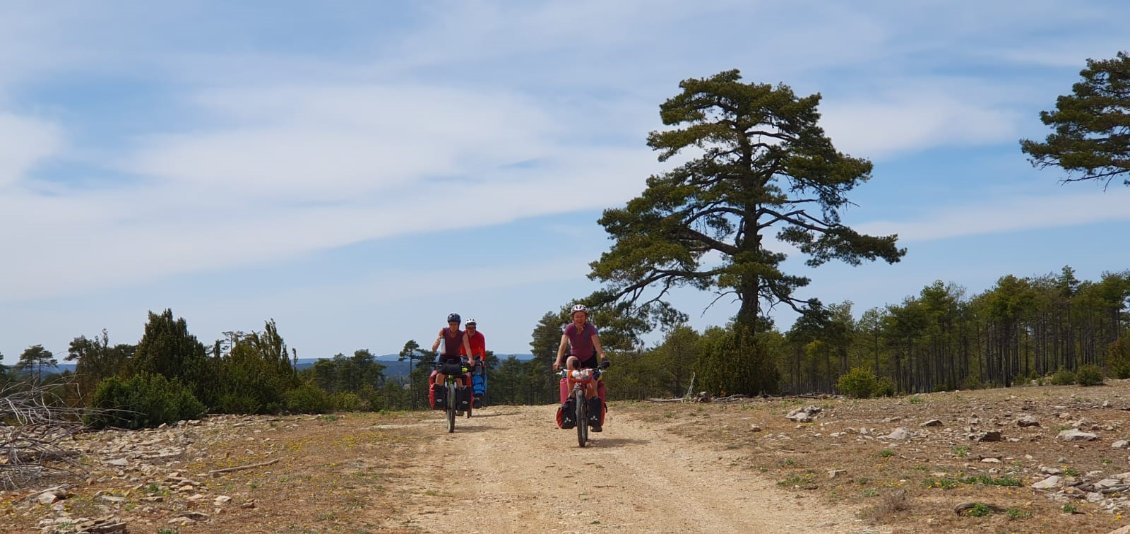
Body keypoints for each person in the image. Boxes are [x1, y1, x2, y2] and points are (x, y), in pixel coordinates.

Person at [553, 304, 608, 431]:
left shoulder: (591, 329)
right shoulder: (569, 328)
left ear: (586, 317)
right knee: (570, 361)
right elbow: (562, 346)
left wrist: (603, 357)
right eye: (577, 316)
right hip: (576, 358)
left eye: (582, 316)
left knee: (592, 386)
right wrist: (557, 361)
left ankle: (592, 415)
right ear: (573, 318)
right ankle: (572, 397)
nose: (579, 319)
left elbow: (597, 345)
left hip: (590, 359)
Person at [430, 313, 476, 412]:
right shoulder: (443, 331)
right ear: (448, 324)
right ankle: (441, 400)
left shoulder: (462, 334)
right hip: (443, 358)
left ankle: (460, 404)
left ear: (458, 324)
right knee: (440, 376)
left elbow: (467, 348)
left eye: (455, 324)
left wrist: (470, 359)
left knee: (459, 378)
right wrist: (438, 340)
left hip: (456, 358)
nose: (453, 326)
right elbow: (433, 349)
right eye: (451, 324)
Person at [460, 318, 487, 408]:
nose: (471, 330)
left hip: (476, 358)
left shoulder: (480, 336)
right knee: (463, 375)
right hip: (463, 358)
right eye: (469, 327)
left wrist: (482, 360)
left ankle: (477, 398)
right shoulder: (462, 335)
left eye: (473, 327)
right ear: (466, 327)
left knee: (478, 375)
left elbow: (482, 349)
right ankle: (460, 400)